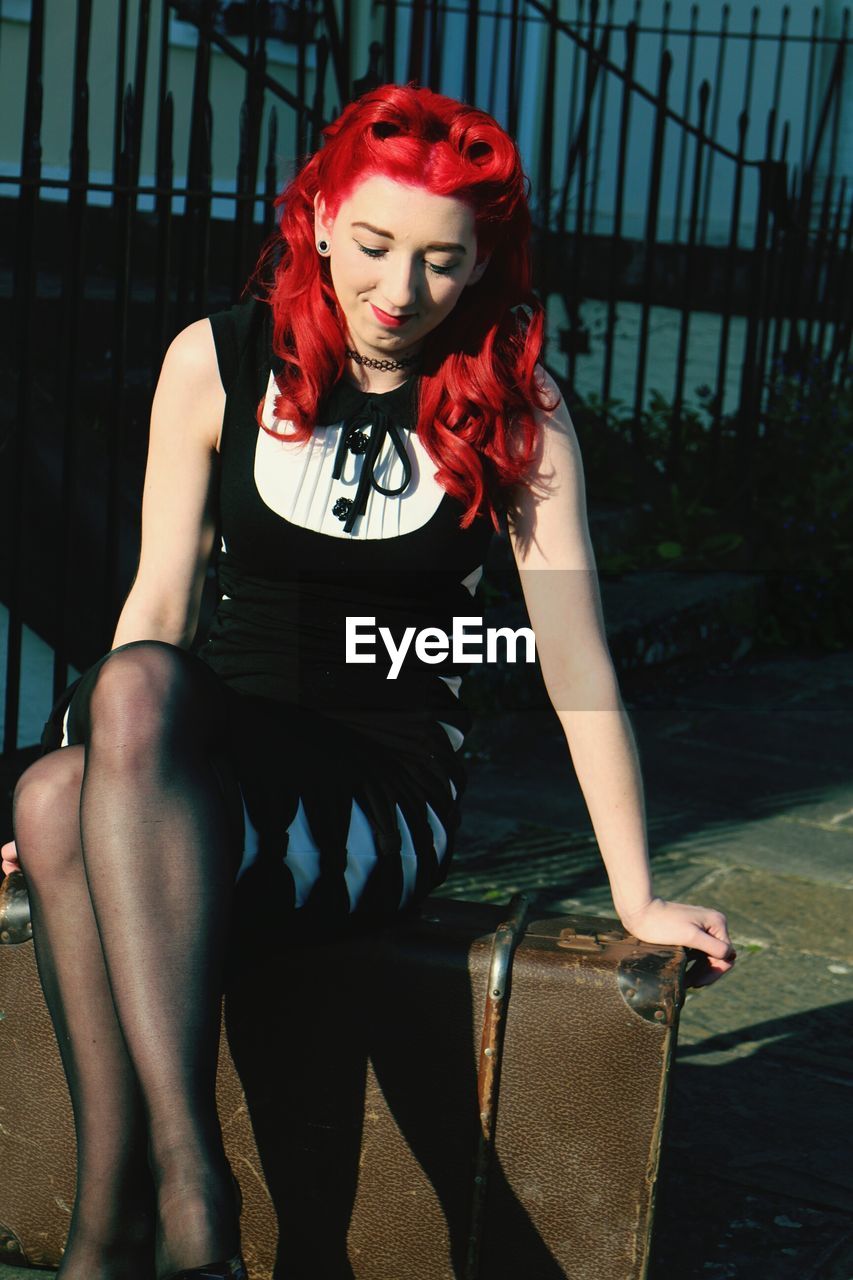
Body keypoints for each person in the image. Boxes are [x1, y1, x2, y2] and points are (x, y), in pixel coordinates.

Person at [6, 82, 736, 1280]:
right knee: (62, 782)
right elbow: (157, 607)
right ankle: (152, 1215)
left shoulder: (516, 407)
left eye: (444, 264)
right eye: (376, 246)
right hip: (202, 738)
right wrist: (68, 771)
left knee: (88, 770)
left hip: (376, 784)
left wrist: (638, 892)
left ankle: (159, 1210)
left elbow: (573, 657)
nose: (402, 293)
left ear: (485, 262)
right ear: (320, 216)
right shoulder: (215, 362)